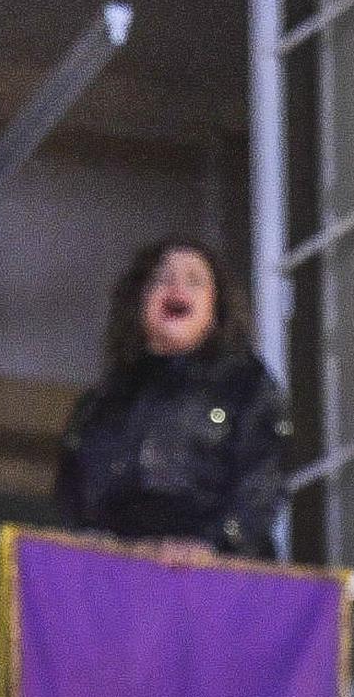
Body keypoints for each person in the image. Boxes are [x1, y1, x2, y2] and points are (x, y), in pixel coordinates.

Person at [54, 236, 290, 561]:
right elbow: (74, 495)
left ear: (215, 309)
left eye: (194, 281)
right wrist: (95, 544)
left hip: (216, 576)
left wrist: (214, 544)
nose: (177, 286)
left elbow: (262, 480)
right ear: (140, 302)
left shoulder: (246, 384)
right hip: (120, 574)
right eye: (162, 279)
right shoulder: (104, 400)